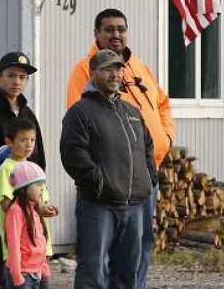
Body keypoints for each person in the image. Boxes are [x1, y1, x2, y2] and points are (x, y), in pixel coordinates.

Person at [66, 8, 173, 288]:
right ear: (97, 33)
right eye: (109, 29)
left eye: (121, 29)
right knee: (96, 263)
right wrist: (98, 181)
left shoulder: (138, 67)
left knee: (137, 252)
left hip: (139, 187)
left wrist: (165, 140)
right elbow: (76, 142)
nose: (116, 34)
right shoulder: (83, 69)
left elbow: (161, 105)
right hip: (104, 191)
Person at [61, 49, 156, 289]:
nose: (116, 74)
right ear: (93, 73)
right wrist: (99, 183)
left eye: (119, 68)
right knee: (93, 274)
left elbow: (147, 148)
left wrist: (149, 179)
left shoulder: (132, 112)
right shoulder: (80, 112)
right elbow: (73, 154)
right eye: (108, 69)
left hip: (134, 206)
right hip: (98, 205)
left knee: (127, 275)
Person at [0, 52, 47, 289]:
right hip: (1, 196)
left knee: (25, 244)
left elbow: (39, 158)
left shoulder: (28, 114)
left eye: (23, 77)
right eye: (11, 75)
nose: (17, 81)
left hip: (28, 196)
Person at [0, 118, 57, 289]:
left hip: (36, 251)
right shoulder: (7, 168)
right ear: (10, 141)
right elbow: (6, 203)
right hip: (21, 253)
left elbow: (39, 200)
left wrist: (42, 209)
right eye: (23, 140)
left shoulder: (32, 167)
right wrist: (36, 209)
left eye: (32, 140)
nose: (29, 145)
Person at [5, 161, 52, 289]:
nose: (42, 189)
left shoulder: (34, 210)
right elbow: (13, 245)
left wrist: (44, 269)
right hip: (23, 275)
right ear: (23, 188)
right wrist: (17, 276)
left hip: (37, 272)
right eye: (38, 184)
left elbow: (40, 242)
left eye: (43, 185)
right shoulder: (15, 211)